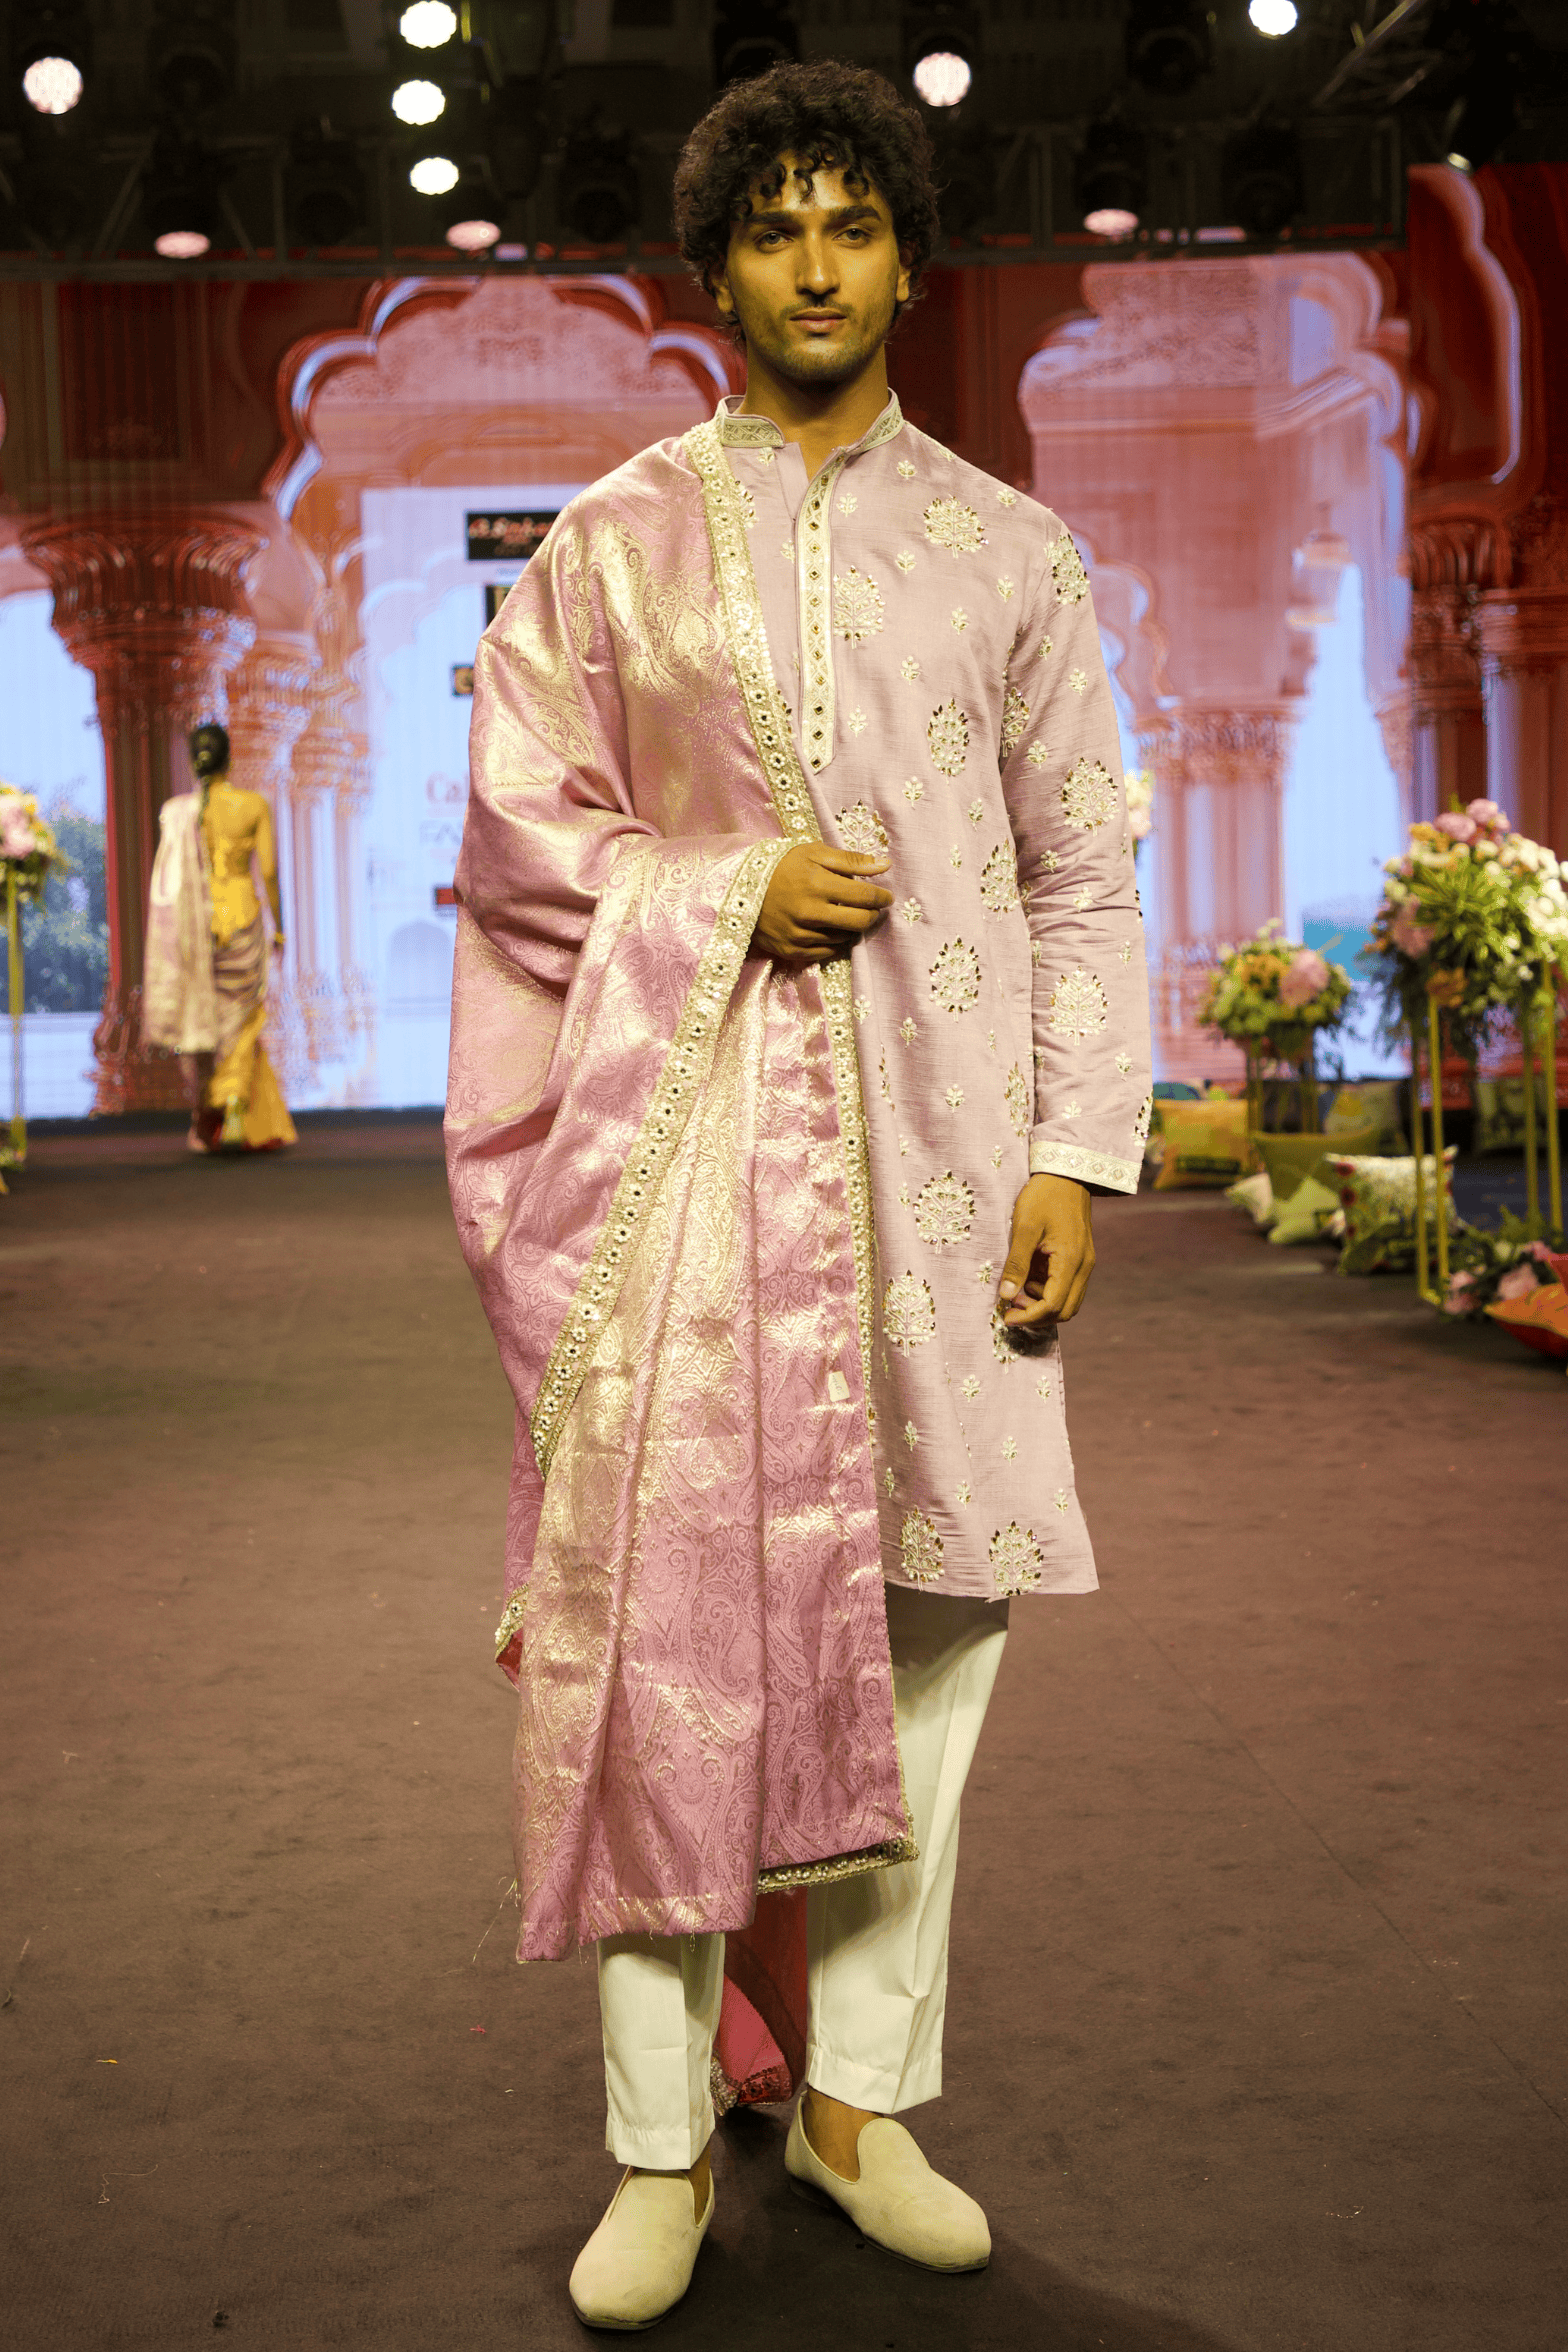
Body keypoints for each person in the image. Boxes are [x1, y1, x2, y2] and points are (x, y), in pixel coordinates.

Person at [446, 58, 1150, 2330]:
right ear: (720, 268)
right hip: (686, 1193)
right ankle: (658, 2142)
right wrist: (728, 886)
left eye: (854, 224)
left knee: (934, 1633)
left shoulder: (1012, 553)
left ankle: (859, 2103)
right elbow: (521, 845)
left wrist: (1074, 1152)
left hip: (944, 1182)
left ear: (909, 260)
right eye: (775, 229)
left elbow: (1079, 872)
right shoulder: (612, 546)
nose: (817, 264)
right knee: (658, 1648)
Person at [143, 722, 295, 1153]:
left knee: (201, 1022)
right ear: (230, 759)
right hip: (242, 918)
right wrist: (280, 927)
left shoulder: (178, 812)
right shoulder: (253, 804)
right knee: (242, 1023)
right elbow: (268, 871)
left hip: (197, 925)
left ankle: (205, 1117)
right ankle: (233, 1108)